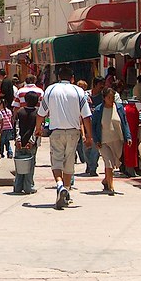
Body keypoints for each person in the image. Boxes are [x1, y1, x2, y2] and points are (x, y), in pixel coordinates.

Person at [37, 65, 93, 210]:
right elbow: (86, 116)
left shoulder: (50, 90)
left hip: (56, 131)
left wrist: (38, 129)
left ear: (58, 77)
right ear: (72, 78)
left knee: (56, 161)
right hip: (74, 132)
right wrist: (88, 136)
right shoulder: (79, 91)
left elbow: (41, 113)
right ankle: (66, 191)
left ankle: (60, 185)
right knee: (69, 163)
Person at [94, 87, 131, 196]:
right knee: (108, 163)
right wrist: (96, 140)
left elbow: (125, 123)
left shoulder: (119, 108)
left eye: (112, 97)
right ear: (104, 98)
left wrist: (128, 137)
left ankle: (106, 180)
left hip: (117, 140)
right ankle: (111, 187)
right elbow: (94, 126)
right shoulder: (98, 110)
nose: (111, 99)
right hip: (104, 141)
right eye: (109, 97)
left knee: (114, 162)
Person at [13, 91, 41, 195]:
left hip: (20, 143)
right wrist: (32, 141)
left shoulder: (20, 112)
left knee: (19, 166)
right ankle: (29, 187)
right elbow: (36, 129)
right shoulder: (38, 114)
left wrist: (18, 140)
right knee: (30, 166)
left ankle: (17, 186)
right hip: (31, 145)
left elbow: (16, 127)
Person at [82, 78, 105, 177]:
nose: (102, 87)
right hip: (86, 125)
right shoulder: (85, 96)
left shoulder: (103, 97)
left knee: (96, 148)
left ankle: (93, 167)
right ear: (95, 85)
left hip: (98, 126)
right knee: (86, 148)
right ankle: (89, 164)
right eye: (100, 85)